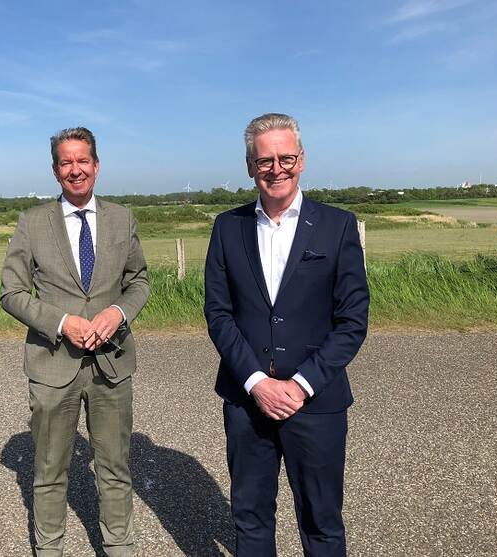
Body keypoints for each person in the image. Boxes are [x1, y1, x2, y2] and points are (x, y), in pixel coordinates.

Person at [204, 113, 370, 556]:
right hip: (247, 399)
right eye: (264, 161)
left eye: (286, 158)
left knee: (321, 523)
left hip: (316, 401)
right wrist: (257, 383)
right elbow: (218, 314)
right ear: (249, 167)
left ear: (302, 160)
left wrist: (299, 385)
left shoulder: (337, 226)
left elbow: (353, 319)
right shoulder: (227, 227)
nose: (276, 168)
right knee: (251, 518)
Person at [0, 127, 150, 556]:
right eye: (66, 162)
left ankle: (119, 546)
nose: (75, 169)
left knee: (115, 467)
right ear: (55, 170)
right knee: (49, 471)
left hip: (112, 363)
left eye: (82, 160)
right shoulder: (32, 223)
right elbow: (11, 292)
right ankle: (49, 549)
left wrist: (118, 312)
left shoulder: (123, 218)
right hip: (52, 365)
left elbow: (138, 280)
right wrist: (62, 321)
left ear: (97, 166)